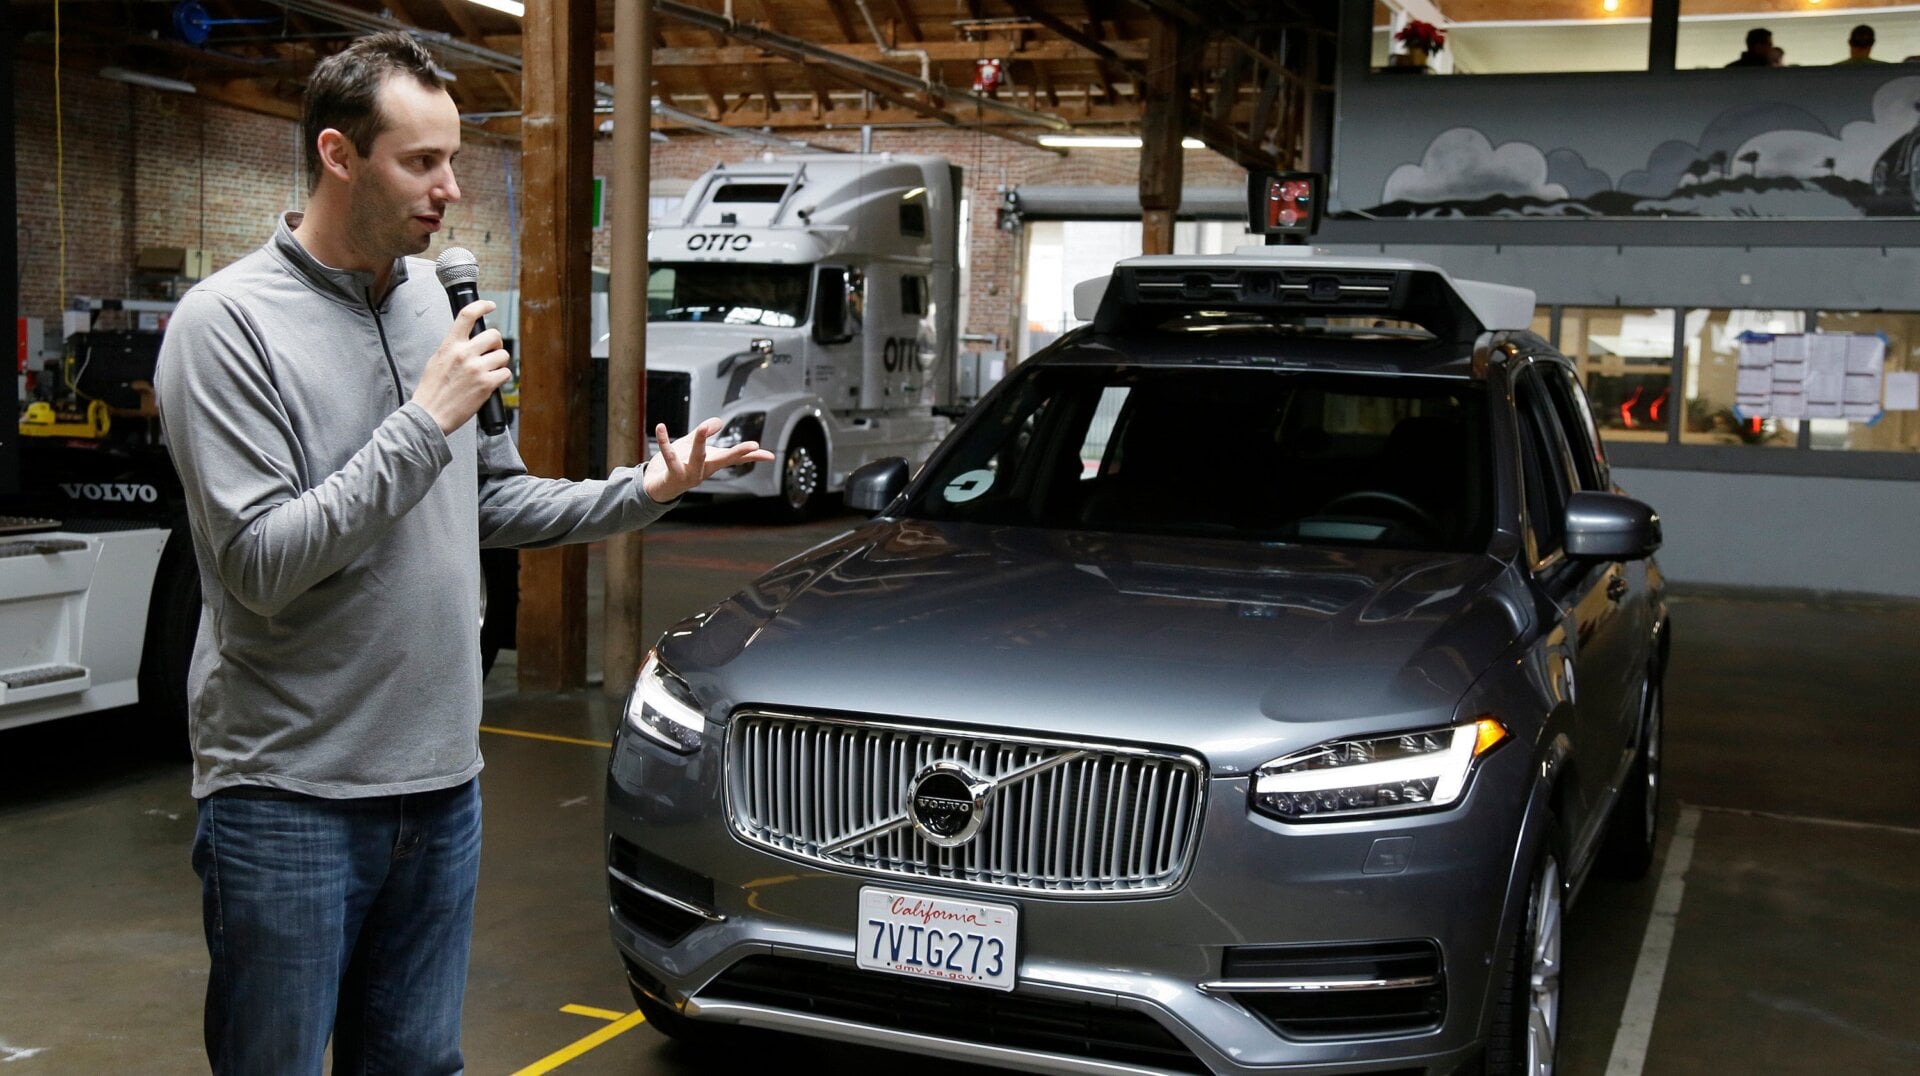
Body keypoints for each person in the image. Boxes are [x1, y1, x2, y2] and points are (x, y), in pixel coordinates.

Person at [152, 31, 772, 1075]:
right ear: (340, 155)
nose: (450, 190)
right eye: (421, 161)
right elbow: (260, 563)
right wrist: (421, 419)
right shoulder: (225, 328)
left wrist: (644, 491)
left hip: (441, 784)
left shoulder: (427, 300)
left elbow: (485, 497)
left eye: (454, 158)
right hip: (290, 794)